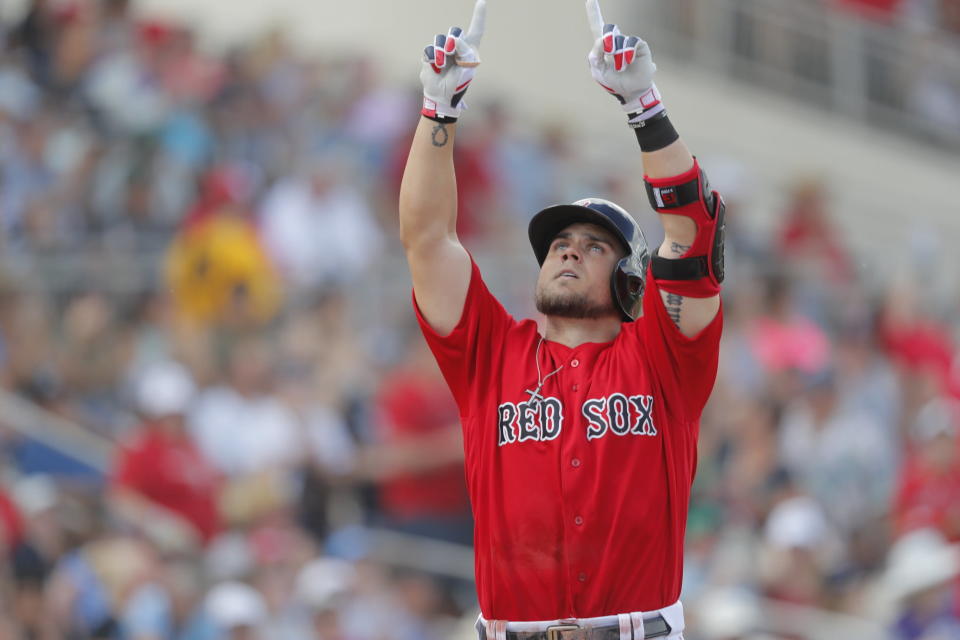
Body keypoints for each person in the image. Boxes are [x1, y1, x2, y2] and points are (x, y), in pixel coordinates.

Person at [398, 1, 725, 638]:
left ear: (631, 280)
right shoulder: (490, 354)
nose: (569, 248)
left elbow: (695, 233)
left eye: (594, 244)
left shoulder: (664, 357)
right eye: (558, 243)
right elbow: (427, 238)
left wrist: (644, 107)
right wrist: (439, 110)